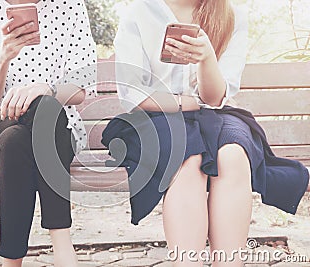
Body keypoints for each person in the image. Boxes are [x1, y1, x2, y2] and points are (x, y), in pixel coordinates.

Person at [104, 0, 310, 266]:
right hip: (156, 117)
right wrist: (184, 103)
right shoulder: (140, 12)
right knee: (187, 158)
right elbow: (132, 93)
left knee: (233, 155)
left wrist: (206, 58)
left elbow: (214, 99)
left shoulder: (230, 15)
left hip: (215, 115)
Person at [0, 0, 97, 266]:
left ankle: (10, 261)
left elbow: (82, 87)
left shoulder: (70, 6)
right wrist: (3, 57)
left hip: (59, 127)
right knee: (25, 122)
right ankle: (63, 248)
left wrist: (45, 90)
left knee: (21, 135)